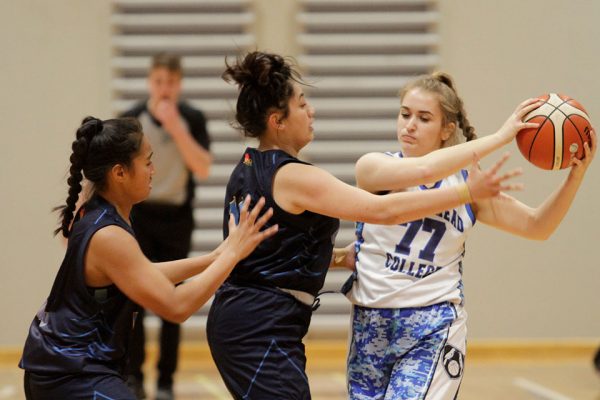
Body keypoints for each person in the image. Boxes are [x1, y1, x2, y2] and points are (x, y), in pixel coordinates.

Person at [205, 51, 529, 400]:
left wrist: (339, 256)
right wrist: (486, 159)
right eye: (301, 105)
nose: (310, 110)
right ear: (277, 121)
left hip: (252, 317)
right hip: (260, 323)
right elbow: (384, 211)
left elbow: (270, 248)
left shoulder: (248, 166)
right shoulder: (295, 176)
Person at [345, 72, 596, 399]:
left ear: (447, 129)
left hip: (433, 323)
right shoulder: (373, 167)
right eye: (405, 114)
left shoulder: (469, 186)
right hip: (370, 322)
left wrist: (575, 177)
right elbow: (424, 171)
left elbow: (537, 226)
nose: (409, 125)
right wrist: (501, 137)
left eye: (423, 118)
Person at [18, 116, 277, 400]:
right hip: (68, 375)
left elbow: (144, 274)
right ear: (119, 173)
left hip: (63, 367)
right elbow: (176, 306)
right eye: (147, 162)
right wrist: (232, 255)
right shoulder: (109, 236)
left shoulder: (100, 213)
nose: (154, 170)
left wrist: (218, 255)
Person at [119, 53, 212, 400]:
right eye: (159, 82)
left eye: (171, 83)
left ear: (179, 84)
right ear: (149, 83)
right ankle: (134, 377)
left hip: (176, 218)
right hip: (138, 217)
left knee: (172, 299)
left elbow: (202, 167)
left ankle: (166, 381)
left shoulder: (192, 118)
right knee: (134, 299)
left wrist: (175, 128)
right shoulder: (131, 119)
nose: (164, 89)